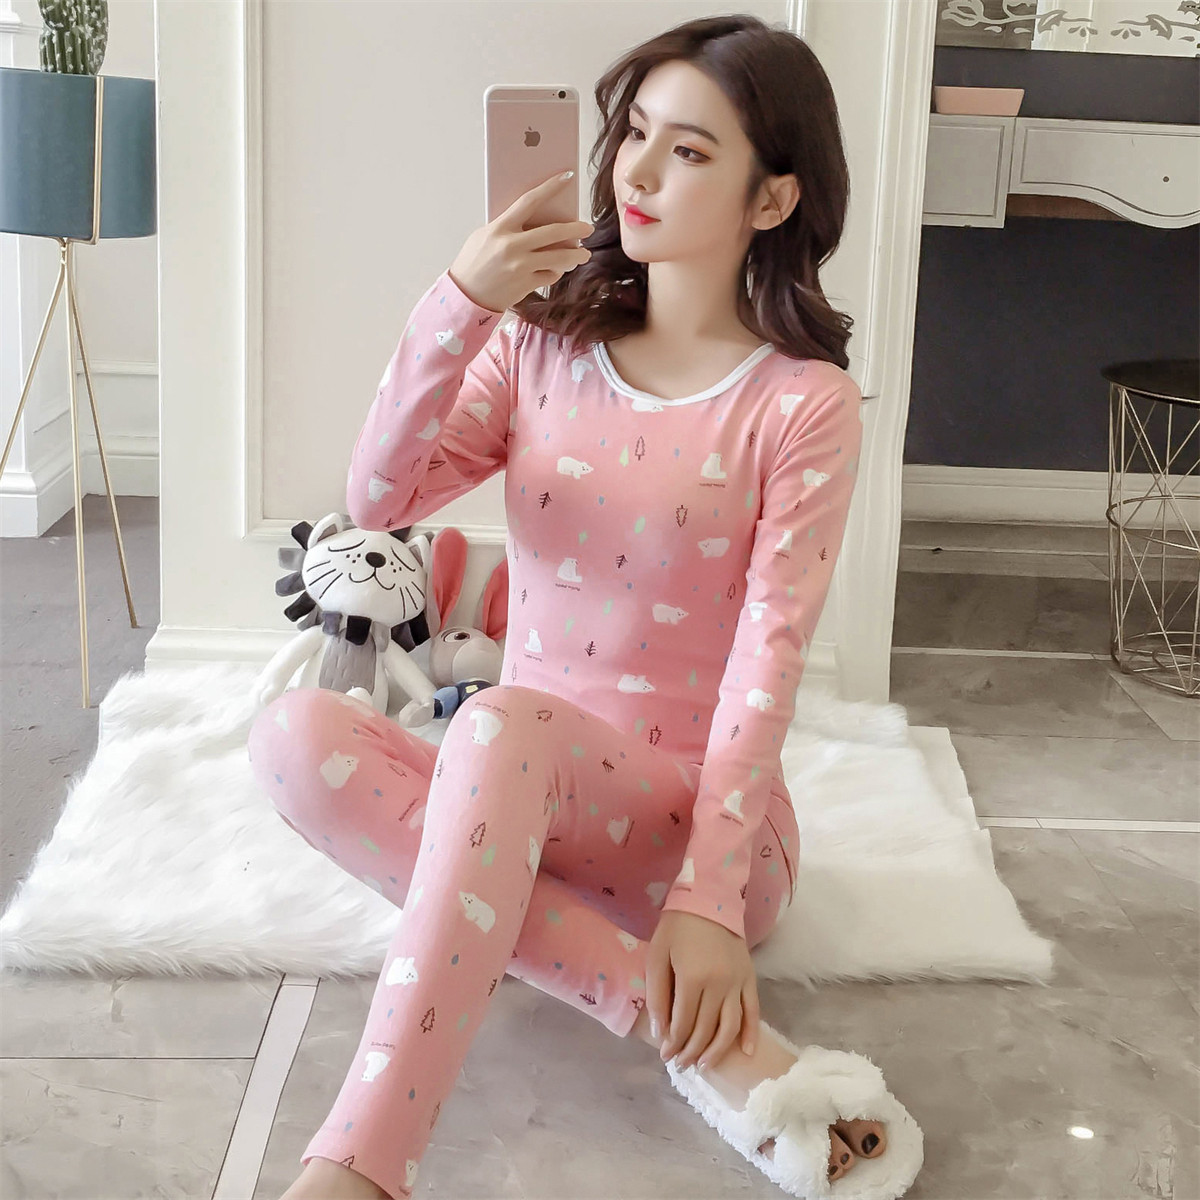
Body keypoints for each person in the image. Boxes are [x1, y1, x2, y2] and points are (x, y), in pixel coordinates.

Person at [247, 14, 886, 1200]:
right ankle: (683, 1027)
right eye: (633, 133)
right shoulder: (539, 348)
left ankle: (357, 1170)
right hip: (517, 814)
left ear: (772, 197)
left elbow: (769, 661)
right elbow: (379, 497)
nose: (637, 171)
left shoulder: (801, 407)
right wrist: (460, 302)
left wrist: (707, 904)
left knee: (493, 723)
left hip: (695, 841)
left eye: (689, 151)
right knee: (292, 735)